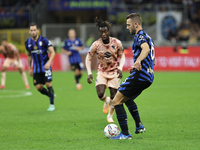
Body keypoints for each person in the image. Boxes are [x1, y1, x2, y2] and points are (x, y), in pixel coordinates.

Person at [110, 13, 155, 139]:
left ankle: (125, 134)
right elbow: (152, 59)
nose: (127, 28)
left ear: (136, 24)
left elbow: (145, 49)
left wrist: (138, 61)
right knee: (126, 97)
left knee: (116, 100)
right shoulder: (148, 36)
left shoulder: (139, 36)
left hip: (140, 76)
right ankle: (139, 126)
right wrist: (138, 65)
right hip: (148, 76)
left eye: (129, 25)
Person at [85, 17, 125, 123]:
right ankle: (106, 100)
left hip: (114, 72)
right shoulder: (96, 45)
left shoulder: (117, 43)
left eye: (105, 31)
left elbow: (123, 56)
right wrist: (89, 73)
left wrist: (120, 68)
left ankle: (110, 116)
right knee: (100, 94)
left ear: (109, 31)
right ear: (99, 32)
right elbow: (88, 58)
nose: (103, 34)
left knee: (114, 96)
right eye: (101, 32)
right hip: (102, 72)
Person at [25, 23, 56, 111]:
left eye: (35, 30)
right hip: (36, 68)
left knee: (48, 84)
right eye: (31, 30)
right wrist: (29, 68)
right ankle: (51, 95)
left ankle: (52, 105)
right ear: (29, 31)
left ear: (37, 31)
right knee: (38, 87)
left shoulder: (44, 40)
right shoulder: (28, 42)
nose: (33, 32)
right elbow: (29, 55)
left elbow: (53, 52)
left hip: (46, 66)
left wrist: (49, 63)